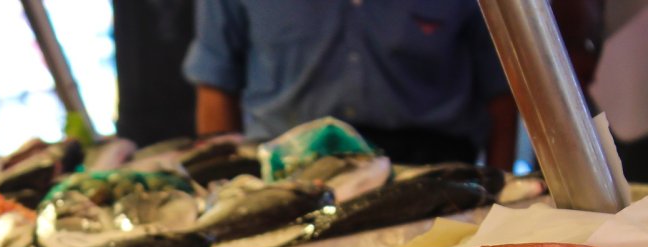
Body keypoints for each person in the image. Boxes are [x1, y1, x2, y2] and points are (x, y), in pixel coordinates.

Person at [184, 0, 517, 169]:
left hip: (432, 170)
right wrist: (223, 190)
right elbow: (216, 85)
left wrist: (505, 189)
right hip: (289, 171)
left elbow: (503, 92)